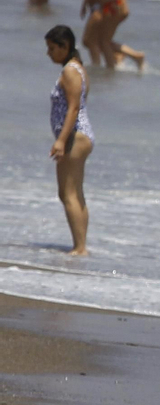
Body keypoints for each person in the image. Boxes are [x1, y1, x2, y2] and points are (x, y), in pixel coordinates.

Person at [44, 26, 94, 257]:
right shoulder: (78, 69)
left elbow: (74, 108)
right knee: (76, 193)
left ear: (65, 47)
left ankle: (79, 248)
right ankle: (81, 245)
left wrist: (61, 140)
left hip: (75, 136)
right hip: (80, 135)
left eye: (52, 48)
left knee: (67, 194)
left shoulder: (70, 72)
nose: (49, 53)